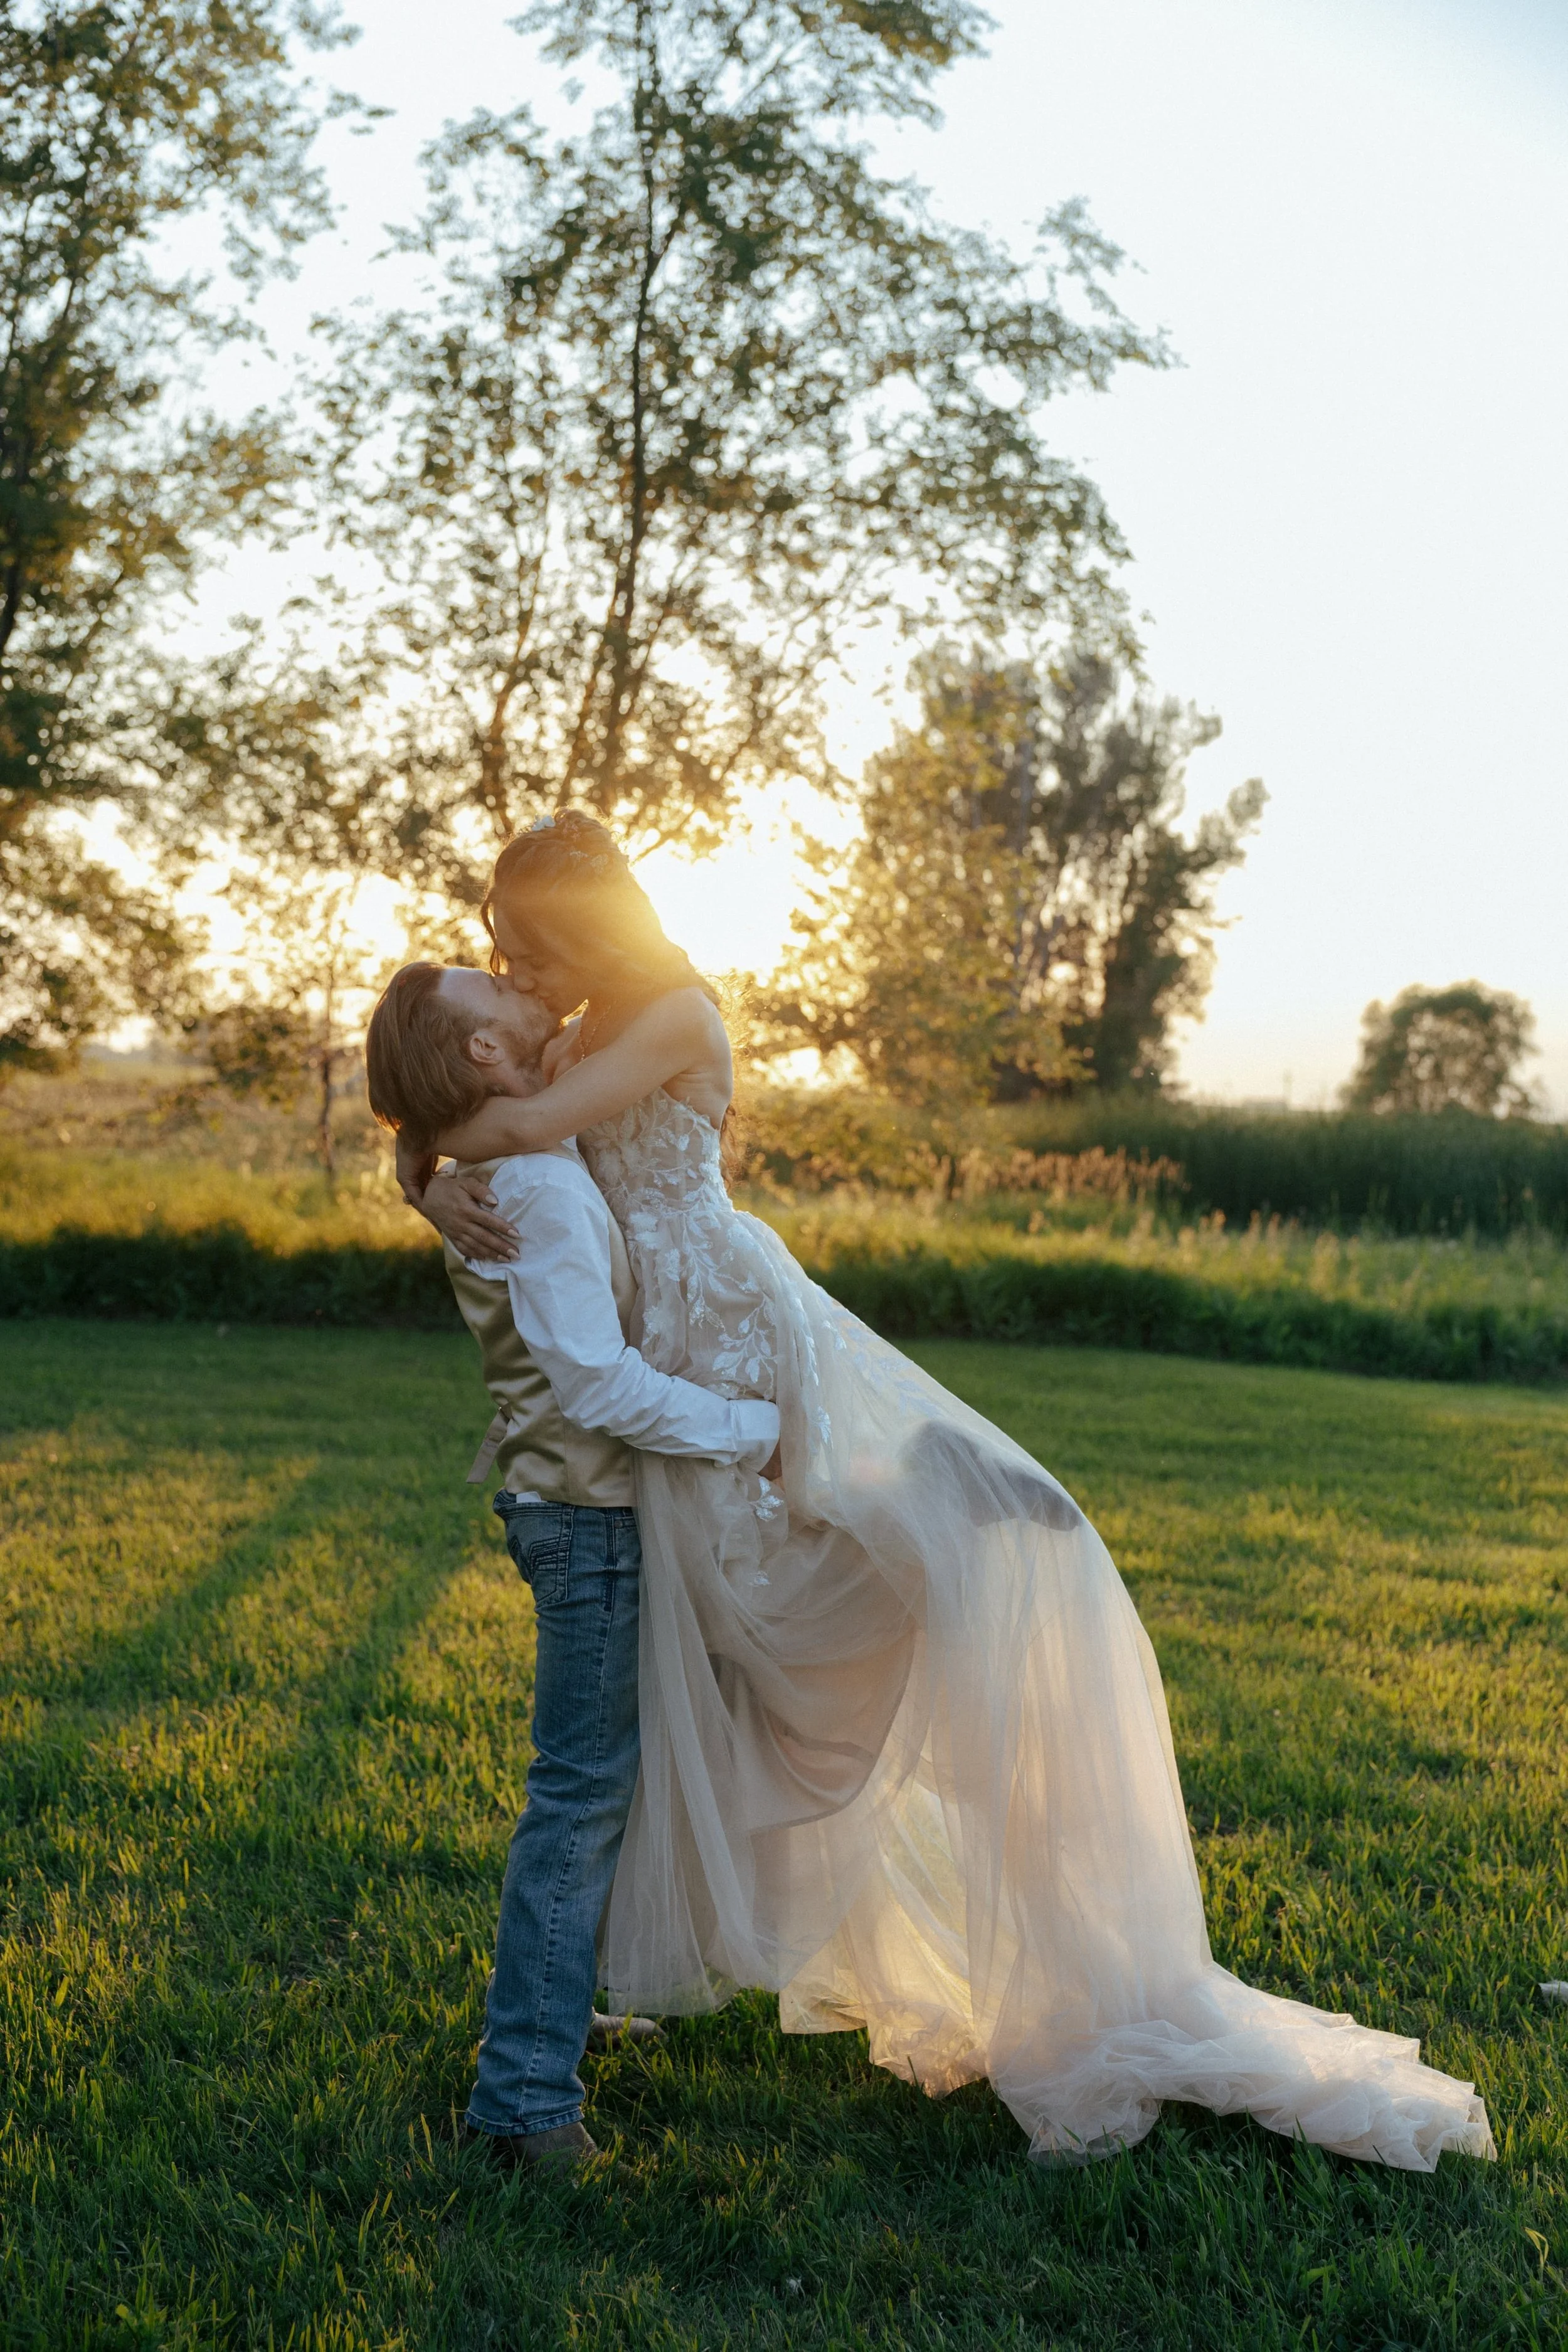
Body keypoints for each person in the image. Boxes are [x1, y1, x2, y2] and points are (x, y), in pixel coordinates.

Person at [403, 809, 1496, 2173]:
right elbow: (502, 1130)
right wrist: (431, 1179)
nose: (508, 961)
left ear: (572, 929)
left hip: (731, 1331)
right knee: (705, 1674)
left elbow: (515, 1120)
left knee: (888, 1576)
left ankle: (1009, 1646)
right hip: (660, 1387)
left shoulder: (671, 1010)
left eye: (519, 941)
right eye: (499, 954)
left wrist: (419, 1162)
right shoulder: (567, 1032)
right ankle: (561, 2018)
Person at [364, 960, 781, 2169]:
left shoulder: (525, 1163)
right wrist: (750, 1431)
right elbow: (595, 1382)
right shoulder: (539, 1193)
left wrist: (424, 1176)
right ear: (488, 1056)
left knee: (606, 1780)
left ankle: (559, 2013)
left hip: (586, 1508)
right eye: (501, 991)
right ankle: (526, 2104)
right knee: (581, 1794)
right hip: (588, 1519)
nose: (531, 991)